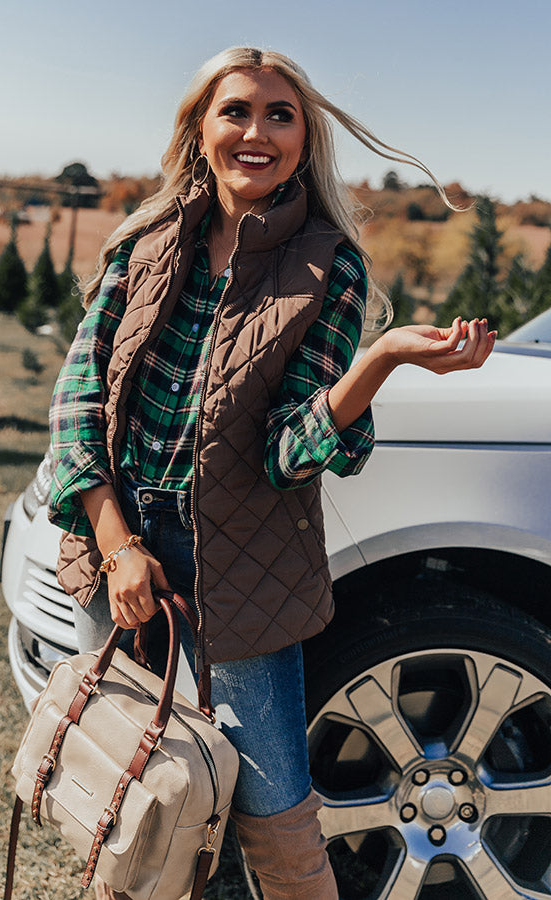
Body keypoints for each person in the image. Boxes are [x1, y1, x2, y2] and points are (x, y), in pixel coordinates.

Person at [48, 46, 496, 900]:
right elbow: (75, 405)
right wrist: (116, 546)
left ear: (304, 138)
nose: (258, 132)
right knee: (131, 787)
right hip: (118, 548)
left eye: (280, 115)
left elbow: (289, 455)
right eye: (237, 111)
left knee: (273, 816)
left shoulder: (330, 266)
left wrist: (384, 360)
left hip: (245, 564)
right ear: (201, 128)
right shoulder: (144, 242)